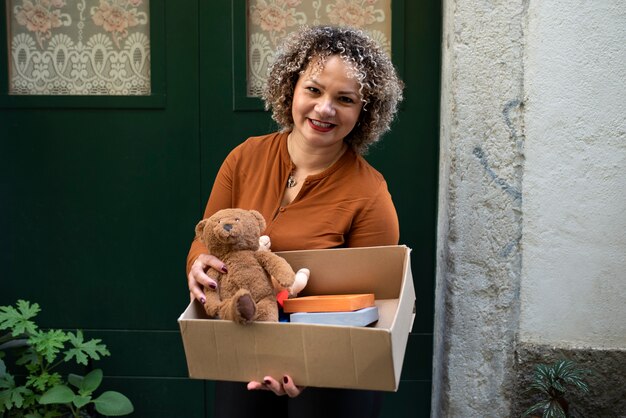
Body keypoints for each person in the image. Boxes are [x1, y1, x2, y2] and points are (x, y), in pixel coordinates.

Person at [186, 25, 404, 418]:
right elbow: (206, 240)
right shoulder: (244, 158)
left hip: (334, 375)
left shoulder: (371, 194)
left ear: (364, 111)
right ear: (291, 88)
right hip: (243, 348)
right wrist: (199, 266)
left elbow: (374, 305)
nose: (325, 109)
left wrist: (310, 361)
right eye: (314, 90)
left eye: (345, 99)